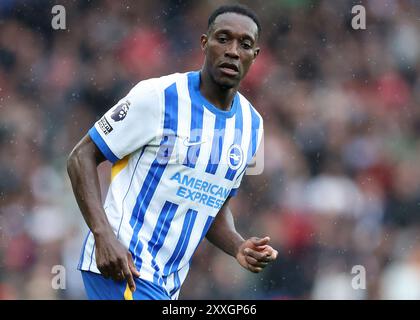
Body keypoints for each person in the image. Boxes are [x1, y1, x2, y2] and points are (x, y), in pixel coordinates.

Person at [67, 4, 278, 300]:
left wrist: (237, 246)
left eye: (244, 44)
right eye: (223, 38)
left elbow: (212, 203)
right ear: (204, 43)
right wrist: (103, 236)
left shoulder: (252, 125)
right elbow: (81, 157)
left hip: (166, 286)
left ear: (254, 56)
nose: (232, 50)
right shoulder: (159, 96)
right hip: (124, 268)